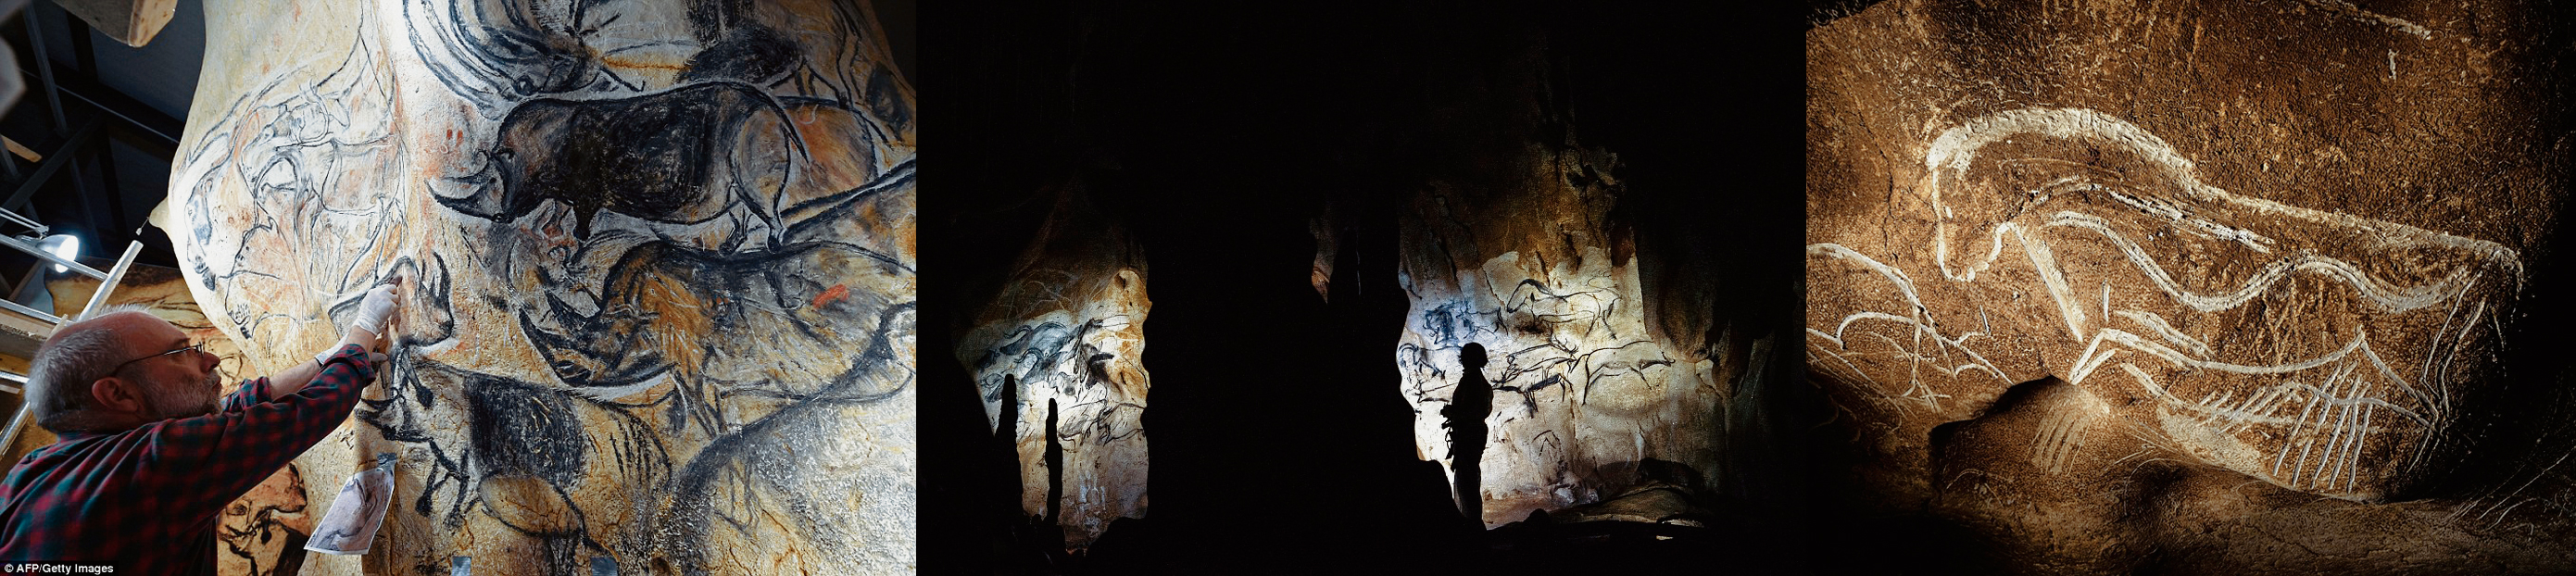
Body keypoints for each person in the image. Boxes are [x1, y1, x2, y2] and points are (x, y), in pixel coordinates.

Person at [0, 279, 403, 574]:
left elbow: (233, 409)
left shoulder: (32, 472)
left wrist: (326, 359)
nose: (208, 360)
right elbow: (311, 412)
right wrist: (362, 330)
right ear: (118, 394)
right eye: (180, 353)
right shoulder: (150, 463)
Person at [1443, 343, 1493, 525]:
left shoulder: (1472, 380)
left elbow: (1470, 411)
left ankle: (1472, 526)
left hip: (1469, 435)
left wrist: (1451, 413)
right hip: (1472, 435)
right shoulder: (1476, 379)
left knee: (1467, 484)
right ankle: (1472, 524)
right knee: (1468, 481)